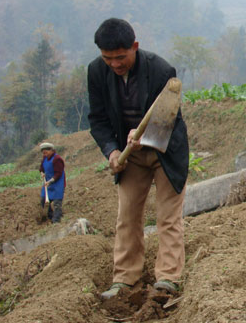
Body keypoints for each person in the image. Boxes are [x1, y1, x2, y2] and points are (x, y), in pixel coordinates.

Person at [88, 18, 189, 300]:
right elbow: (97, 119)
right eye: (108, 58)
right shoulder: (96, 72)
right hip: (128, 154)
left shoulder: (161, 70)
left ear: (134, 47)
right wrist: (112, 152)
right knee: (127, 216)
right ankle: (125, 279)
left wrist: (143, 133)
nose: (115, 64)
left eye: (120, 57)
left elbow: (168, 119)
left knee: (168, 217)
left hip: (164, 151)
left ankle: (168, 278)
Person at [39, 142, 66, 223]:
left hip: (57, 184)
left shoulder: (57, 159)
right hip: (48, 183)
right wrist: (42, 173)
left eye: (46, 152)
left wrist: (50, 181)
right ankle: (50, 216)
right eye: (43, 153)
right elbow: (41, 168)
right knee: (43, 200)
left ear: (51, 150)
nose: (45, 154)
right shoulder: (45, 158)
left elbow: (58, 173)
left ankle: (56, 220)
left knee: (57, 203)